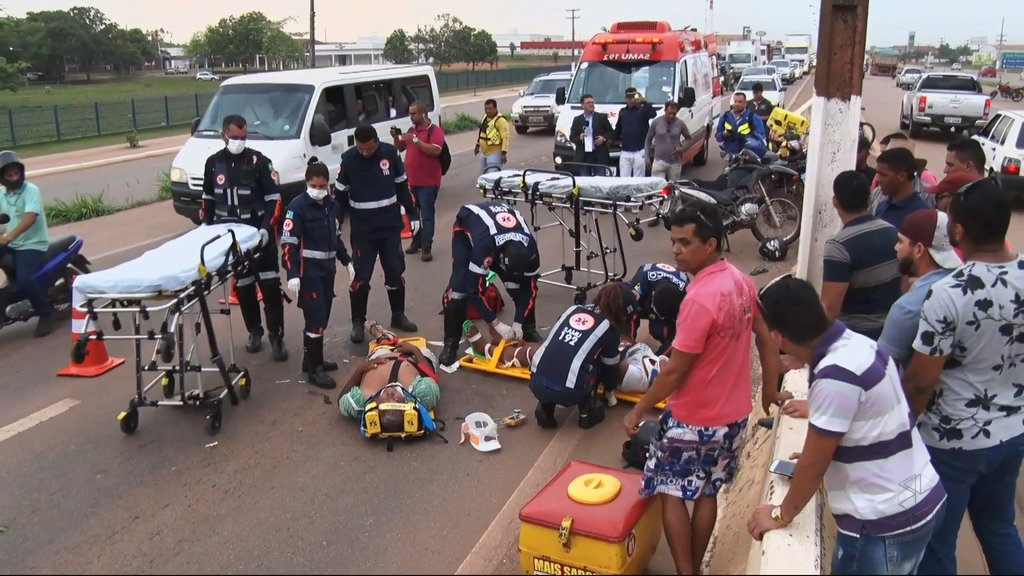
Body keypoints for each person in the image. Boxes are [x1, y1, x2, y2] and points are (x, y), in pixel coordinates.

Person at [622, 200, 784, 576]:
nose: (675, 250)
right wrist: (769, 390)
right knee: (707, 490)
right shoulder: (741, 282)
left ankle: (686, 572)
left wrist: (637, 408)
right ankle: (692, 568)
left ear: (710, 244)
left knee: (671, 490)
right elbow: (766, 336)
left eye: (684, 242)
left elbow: (676, 371)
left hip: (692, 417)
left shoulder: (698, 299)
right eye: (674, 241)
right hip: (733, 417)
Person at [748, 275, 946, 576]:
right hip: (918, 494)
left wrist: (779, 515)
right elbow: (864, 420)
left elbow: (813, 466)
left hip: (883, 524)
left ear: (777, 337)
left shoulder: (835, 376)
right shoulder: (856, 344)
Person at [903, 178, 1024, 575]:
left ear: (957, 230)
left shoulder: (949, 293)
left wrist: (901, 429)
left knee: (937, 540)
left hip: (951, 442)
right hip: (1011, 432)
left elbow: (921, 381)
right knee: (1000, 528)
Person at [200, 114, 287, 361]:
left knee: (270, 286)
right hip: (231, 239)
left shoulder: (260, 162)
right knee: (245, 287)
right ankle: (255, 331)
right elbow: (207, 199)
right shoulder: (213, 163)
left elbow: (274, 200)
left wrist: (265, 229)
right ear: (223, 136)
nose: (239, 141)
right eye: (234, 137)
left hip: (259, 236)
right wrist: (205, 230)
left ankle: (276, 336)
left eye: (243, 137)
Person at [335, 125, 420, 343]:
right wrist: (335, 220)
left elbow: (402, 187)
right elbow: (340, 197)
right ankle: (357, 322)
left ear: (377, 142)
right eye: (361, 149)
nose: (364, 153)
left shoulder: (390, 154)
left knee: (394, 271)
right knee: (360, 277)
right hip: (363, 230)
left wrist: (413, 213)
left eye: (369, 149)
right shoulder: (348, 160)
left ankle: (398, 315)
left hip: (390, 227)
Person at [438, 201, 542, 370]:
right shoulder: (485, 246)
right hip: (466, 231)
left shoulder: (531, 249)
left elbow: (530, 289)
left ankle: (527, 329)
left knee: (518, 287)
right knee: (459, 290)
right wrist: (495, 323)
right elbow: (473, 289)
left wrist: (518, 322)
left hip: (503, 236)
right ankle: (451, 344)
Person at [280, 157, 353, 390]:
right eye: (314, 186)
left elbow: (336, 238)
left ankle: (311, 359)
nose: (319, 190)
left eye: (323, 186)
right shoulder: (297, 208)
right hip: (307, 273)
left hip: (327, 271)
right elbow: (289, 244)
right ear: (307, 183)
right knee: (316, 320)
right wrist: (292, 273)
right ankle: (315, 369)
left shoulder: (331, 206)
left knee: (322, 318)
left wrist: (347, 260)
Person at [529, 282, 630, 430]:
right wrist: (610, 390)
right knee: (598, 363)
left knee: (565, 353)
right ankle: (587, 413)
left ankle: (545, 405)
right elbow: (610, 368)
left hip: (536, 380)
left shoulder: (573, 310)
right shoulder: (609, 330)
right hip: (569, 393)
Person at [820, 170, 902, 340]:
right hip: (891, 330)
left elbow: (830, 309)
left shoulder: (838, 246)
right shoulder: (892, 231)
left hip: (855, 335)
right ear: (869, 197)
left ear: (836, 201)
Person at [877, 209, 961, 370]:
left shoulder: (908, 308)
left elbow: (883, 370)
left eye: (901, 242)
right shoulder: (965, 281)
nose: (896, 247)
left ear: (919, 249)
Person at [337, 321, 440, 420]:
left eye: (385, 402)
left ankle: (383, 339)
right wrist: (415, 350)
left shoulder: (363, 400)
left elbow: (341, 400)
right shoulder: (420, 395)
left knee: (381, 349)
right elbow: (432, 379)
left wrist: (360, 370)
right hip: (414, 358)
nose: (390, 396)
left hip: (380, 356)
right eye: (396, 401)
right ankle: (389, 340)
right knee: (427, 356)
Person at [0, 150, 53, 337]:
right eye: (9, 175)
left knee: (24, 278)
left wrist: (9, 236)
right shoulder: (2, 194)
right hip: (13, 242)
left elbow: (30, 217)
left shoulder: (31, 190)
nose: (14, 178)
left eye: (16, 174)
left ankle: (46, 314)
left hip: (32, 244)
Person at [393, 101, 445, 262]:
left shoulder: (434, 131)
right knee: (412, 214)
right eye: (410, 113)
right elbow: (400, 148)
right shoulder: (410, 131)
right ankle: (417, 242)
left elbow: (436, 150)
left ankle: (427, 247)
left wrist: (416, 140)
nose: (411, 116)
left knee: (427, 215)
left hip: (428, 182)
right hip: (411, 181)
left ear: (423, 114)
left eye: (414, 113)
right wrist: (396, 137)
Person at [628, 262, 689, 355]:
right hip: (645, 297)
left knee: (660, 330)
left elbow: (679, 337)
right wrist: (629, 343)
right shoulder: (640, 281)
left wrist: (658, 359)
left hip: (669, 305)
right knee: (628, 312)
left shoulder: (687, 295)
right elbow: (627, 311)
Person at [874, 147, 929, 229]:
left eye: (883, 175)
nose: (877, 179)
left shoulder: (920, 215)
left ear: (901, 176)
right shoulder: (881, 205)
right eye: (877, 173)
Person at [613, 87, 657, 178]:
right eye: (629, 97)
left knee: (639, 177)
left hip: (640, 150)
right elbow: (618, 128)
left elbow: (653, 114)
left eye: (634, 97)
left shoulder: (643, 110)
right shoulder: (623, 112)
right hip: (625, 150)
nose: (631, 99)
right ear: (626, 98)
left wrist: (644, 102)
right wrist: (610, 139)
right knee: (624, 177)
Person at [568, 94, 614, 176]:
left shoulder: (601, 117)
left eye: (593, 102)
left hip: (599, 155)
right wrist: (580, 137)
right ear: (582, 105)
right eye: (588, 102)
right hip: (584, 156)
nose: (591, 104)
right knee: (585, 182)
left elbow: (611, 132)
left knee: (599, 182)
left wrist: (603, 138)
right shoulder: (577, 120)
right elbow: (572, 137)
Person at [645, 101, 691, 182]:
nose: (672, 116)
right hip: (659, 161)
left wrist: (682, 149)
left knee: (674, 188)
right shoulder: (656, 122)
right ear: (665, 110)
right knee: (657, 188)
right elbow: (648, 140)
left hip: (675, 163)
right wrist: (647, 158)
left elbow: (689, 139)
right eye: (669, 113)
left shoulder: (680, 123)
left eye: (674, 113)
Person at [715, 92, 767, 158]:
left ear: (745, 103)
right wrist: (724, 134)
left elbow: (760, 139)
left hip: (747, 156)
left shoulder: (754, 118)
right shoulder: (725, 116)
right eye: (735, 101)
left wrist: (745, 138)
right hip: (731, 156)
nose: (737, 104)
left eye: (740, 102)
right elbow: (718, 137)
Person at [474, 99, 510, 174]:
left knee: (492, 175)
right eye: (486, 109)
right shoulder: (485, 118)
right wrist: (477, 145)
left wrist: (503, 153)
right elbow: (481, 133)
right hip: (484, 152)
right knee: (483, 175)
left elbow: (505, 137)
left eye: (489, 109)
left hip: (494, 152)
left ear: (495, 108)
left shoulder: (501, 120)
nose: (487, 111)